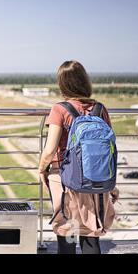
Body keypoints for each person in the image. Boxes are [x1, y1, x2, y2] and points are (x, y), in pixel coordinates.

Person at [38, 60, 119, 254]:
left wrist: (41, 169)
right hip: (96, 181)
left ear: (62, 84)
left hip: (66, 179)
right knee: (91, 238)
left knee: (67, 235)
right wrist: (112, 184)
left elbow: (50, 150)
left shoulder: (60, 109)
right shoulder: (100, 109)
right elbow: (109, 150)